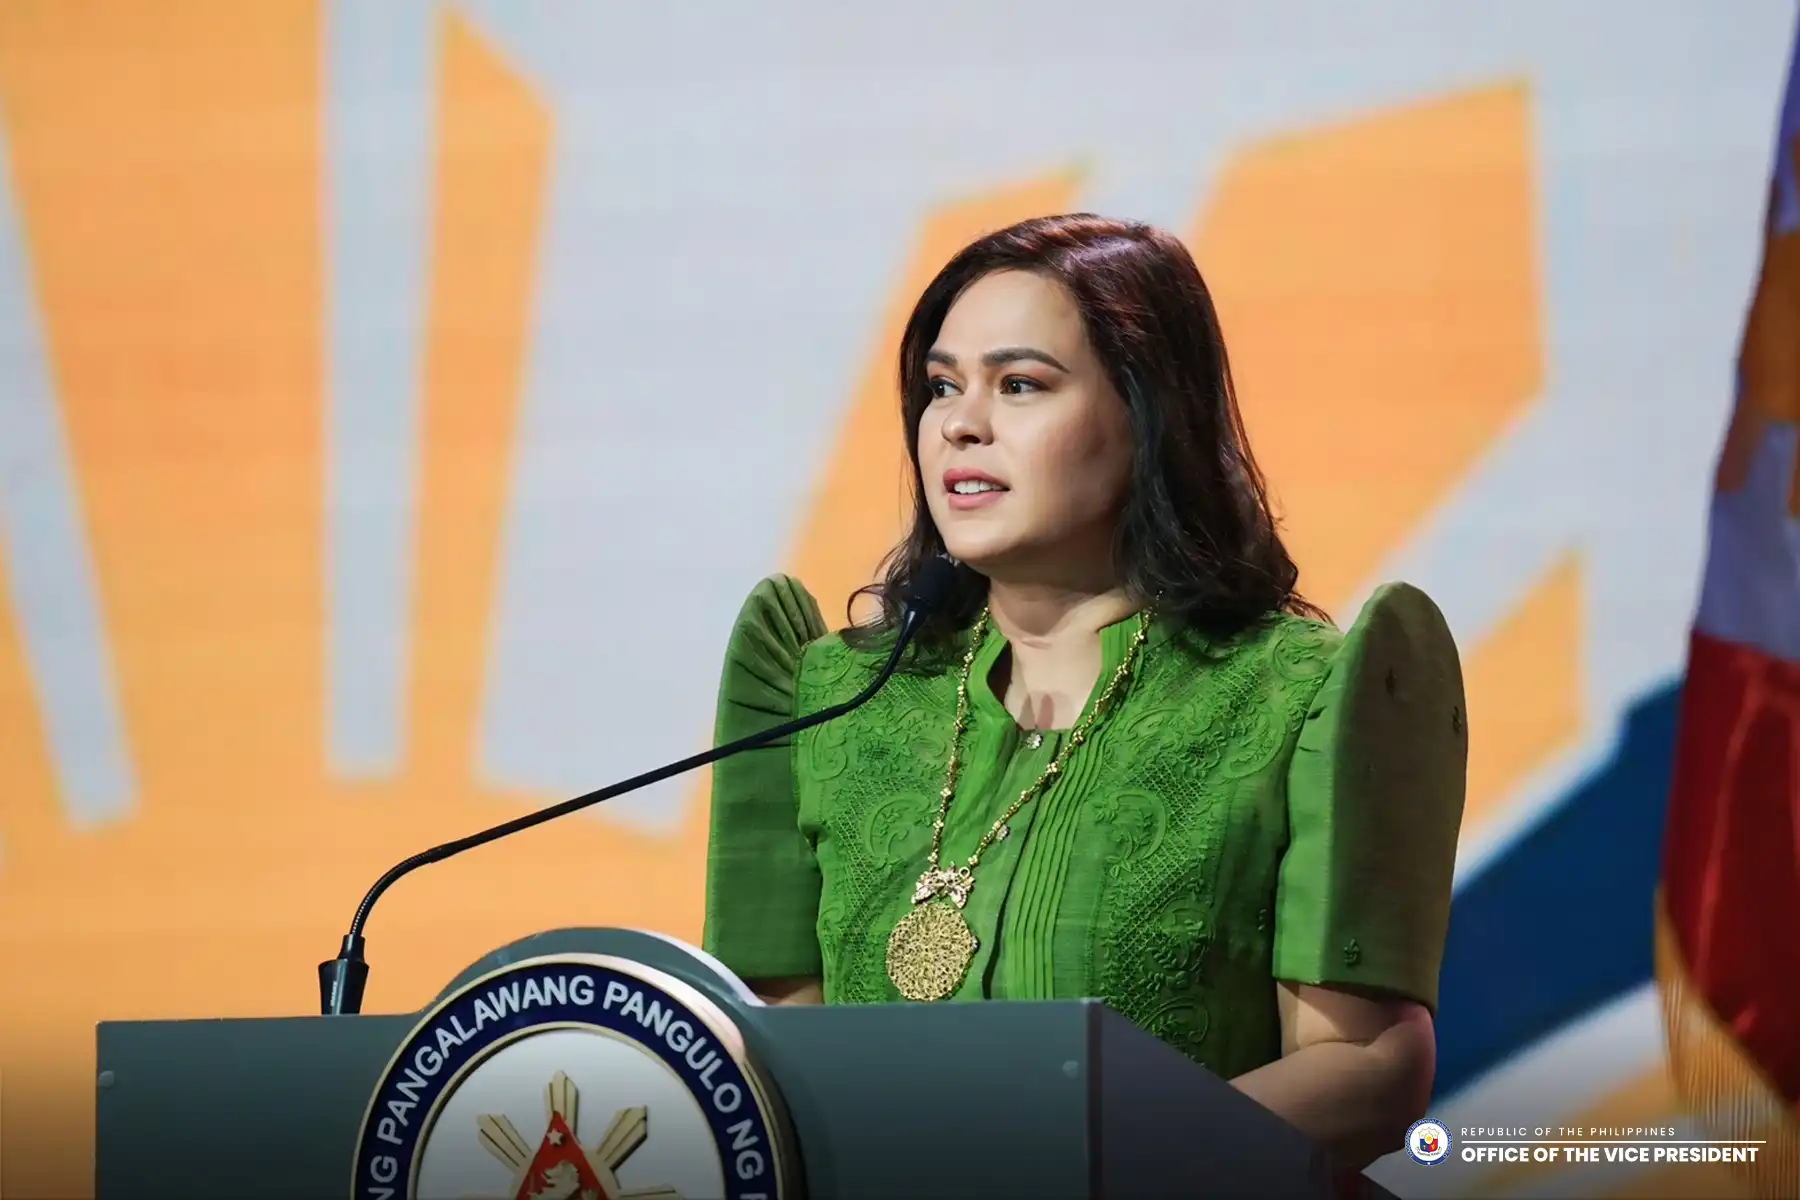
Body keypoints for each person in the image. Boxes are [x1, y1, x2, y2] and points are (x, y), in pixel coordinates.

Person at [701, 213, 1467, 1169]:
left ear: (1149, 416)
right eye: (942, 387)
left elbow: (1366, 1062)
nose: (961, 424)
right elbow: (767, 1065)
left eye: (1020, 384)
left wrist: (1091, 1165)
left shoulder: (1298, 694)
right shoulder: (832, 698)